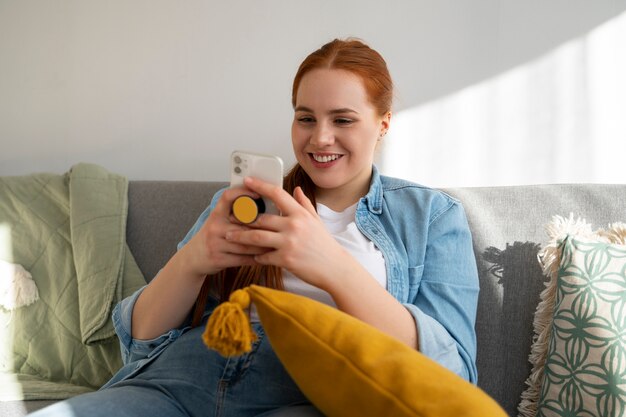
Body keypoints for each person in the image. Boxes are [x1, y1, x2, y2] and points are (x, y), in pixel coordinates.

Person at [31, 38, 479, 417]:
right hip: (181, 381)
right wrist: (192, 262)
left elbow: (453, 372)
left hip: (305, 396)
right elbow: (143, 340)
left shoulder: (432, 217)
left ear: (383, 124)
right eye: (306, 118)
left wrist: (333, 268)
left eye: (342, 119)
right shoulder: (246, 203)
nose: (320, 138)